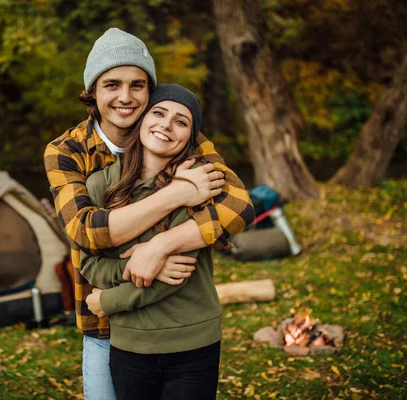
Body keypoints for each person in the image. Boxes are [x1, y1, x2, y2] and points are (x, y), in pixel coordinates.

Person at [44, 28, 254, 400]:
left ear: (150, 91)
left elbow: (238, 206)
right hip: (103, 323)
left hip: (178, 329)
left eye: (137, 86)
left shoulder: (178, 135)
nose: (125, 97)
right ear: (92, 90)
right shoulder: (67, 151)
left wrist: (160, 247)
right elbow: (86, 232)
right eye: (112, 84)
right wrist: (177, 193)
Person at [81, 84, 223, 399]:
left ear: (190, 136)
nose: (166, 126)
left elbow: (177, 275)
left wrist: (108, 302)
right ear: (142, 119)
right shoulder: (99, 186)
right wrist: (140, 264)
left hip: (193, 342)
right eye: (158, 113)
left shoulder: (196, 183)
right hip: (129, 344)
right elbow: (89, 264)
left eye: (181, 121)